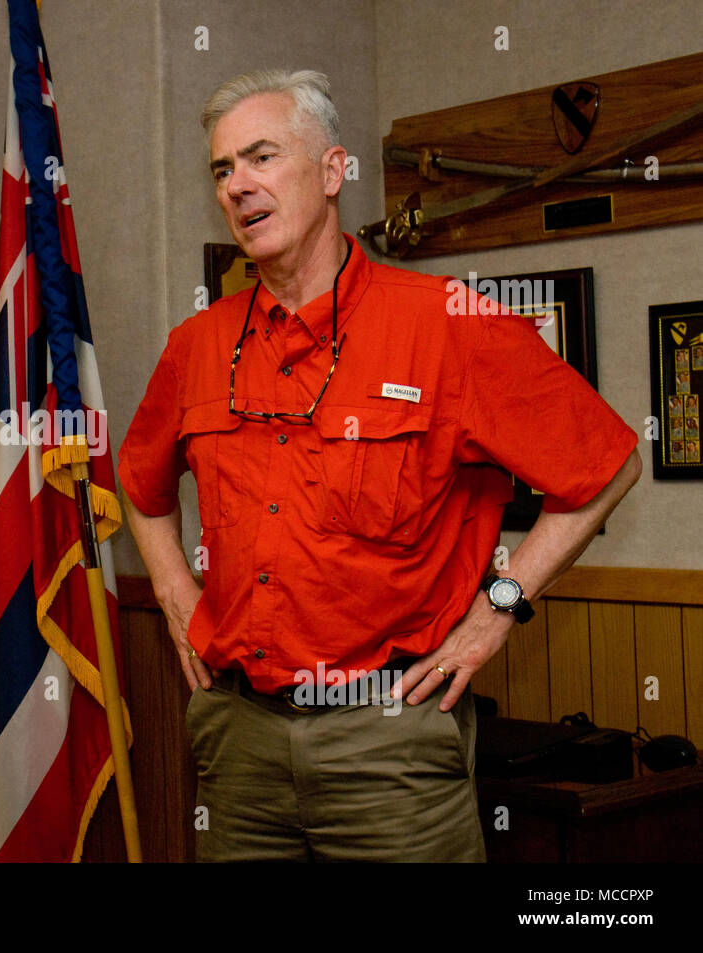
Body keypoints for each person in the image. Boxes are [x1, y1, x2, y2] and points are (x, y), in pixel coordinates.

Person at [118, 70, 641, 862]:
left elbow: (608, 464)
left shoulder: (446, 324)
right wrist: (170, 589)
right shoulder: (197, 346)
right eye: (223, 169)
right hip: (237, 741)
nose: (238, 185)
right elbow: (141, 484)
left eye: (261, 157)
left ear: (333, 172)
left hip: (388, 742)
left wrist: (497, 609)